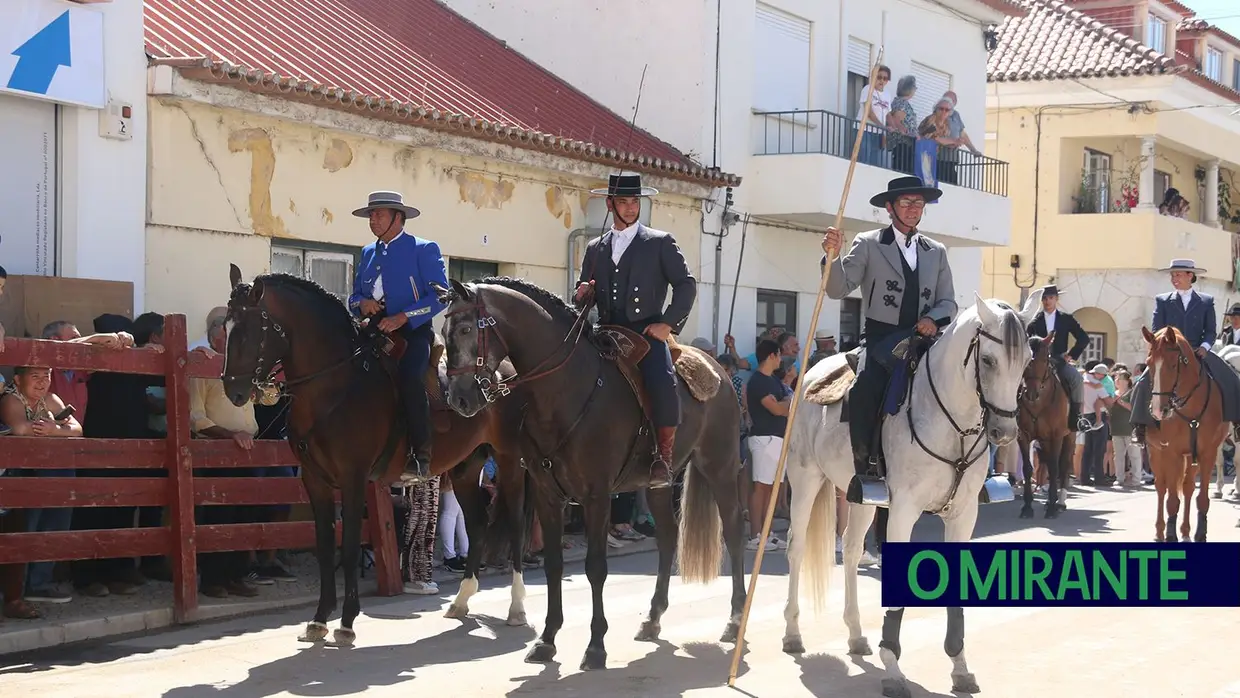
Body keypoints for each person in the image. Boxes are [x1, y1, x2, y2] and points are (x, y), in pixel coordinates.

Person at [821, 175, 957, 505]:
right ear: (890, 207)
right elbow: (838, 289)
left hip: (925, 337)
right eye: (906, 203)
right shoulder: (868, 243)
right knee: (864, 389)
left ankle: (967, 466)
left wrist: (931, 319)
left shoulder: (935, 251)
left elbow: (949, 302)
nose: (913, 210)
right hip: (883, 340)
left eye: (918, 204)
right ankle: (865, 470)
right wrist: (832, 258)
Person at [574, 173, 697, 489]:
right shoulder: (594, 247)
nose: (630, 208)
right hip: (605, 333)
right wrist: (583, 293)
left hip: (646, 335)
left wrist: (668, 323)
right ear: (610, 203)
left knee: (663, 383)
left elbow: (685, 285)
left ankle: (662, 458)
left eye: (634, 202)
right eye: (624, 202)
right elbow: (585, 289)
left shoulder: (659, 242)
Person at [348, 191, 450, 483]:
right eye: (371, 215)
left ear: (398, 217)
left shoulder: (423, 248)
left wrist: (404, 317)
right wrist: (361, 304)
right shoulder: (368, 252)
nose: (373, 220)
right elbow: (354, 296)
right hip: (372, 330)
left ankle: (422, 455)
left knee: (409, 378)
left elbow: (442, 296)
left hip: (413, 333)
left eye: (379, 214)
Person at [1131, 259, 1240, 443]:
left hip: (1197, 351)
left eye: (1178, 274)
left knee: (1230, 377)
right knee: (1142, 382)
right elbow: (1157, 328)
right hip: (1169, 353)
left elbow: (1211, 331)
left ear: (1190, 275)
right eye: (1173, 275)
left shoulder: (1206, 301)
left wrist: (1205, 348)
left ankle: (1237, 422)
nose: (1174, 278)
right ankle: (1139, 426)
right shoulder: (1163, 300)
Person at [1025, 285, 1091, 431]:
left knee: (1077, 379)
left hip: (1059, 360)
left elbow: (1083, 338)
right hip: (1038, 361)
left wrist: (1071, 355)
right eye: (1045, 298)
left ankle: (1077, 418)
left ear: (1056, 299)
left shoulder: (1066, 319)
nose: (1047, 301)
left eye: (1051, 298)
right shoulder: (1034, 321)